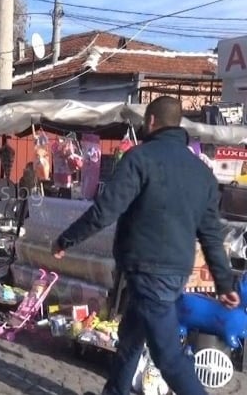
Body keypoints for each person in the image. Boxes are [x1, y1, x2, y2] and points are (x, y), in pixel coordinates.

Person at [51, 96, 239, 395]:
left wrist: (66, 239)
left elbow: (105, 210)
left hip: (148, 269)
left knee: (167, 355)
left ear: (151, 121)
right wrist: (225, 281)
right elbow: (211, 234)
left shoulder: (140, 158)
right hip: (175, 270)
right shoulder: (201, 172)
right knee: (130, 338)